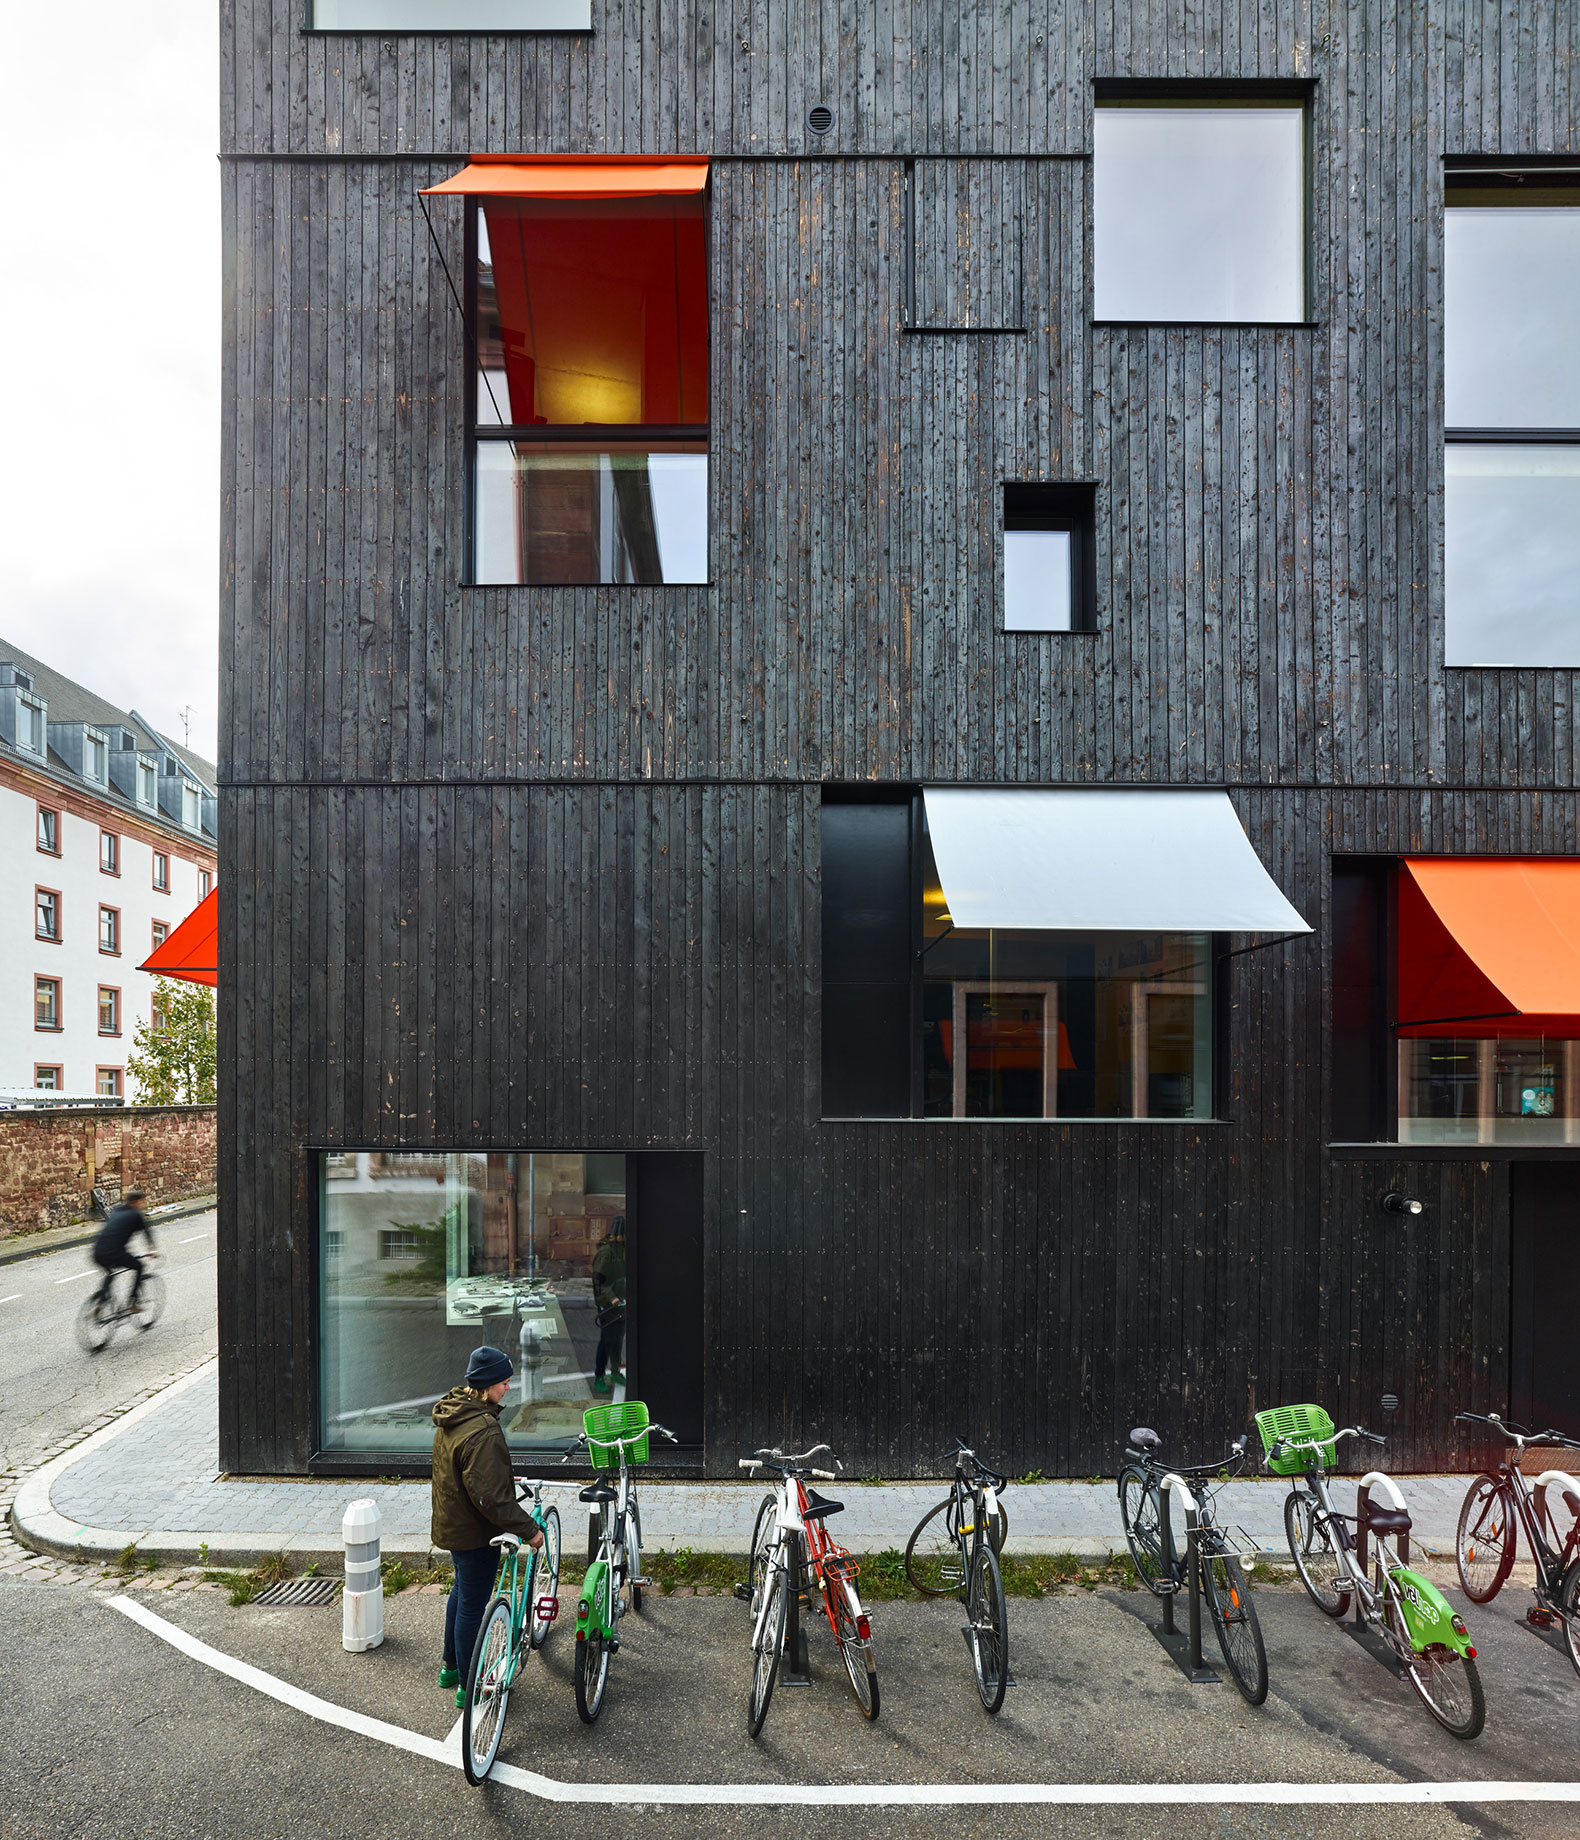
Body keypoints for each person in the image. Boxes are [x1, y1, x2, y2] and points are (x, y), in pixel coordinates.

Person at [431, 1345, 543, 1702]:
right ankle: (469, 1684)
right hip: (475, 1533)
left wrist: (500, 1477)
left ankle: (450, 1668)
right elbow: (490, 1500)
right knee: (471, 1605)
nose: (507, 1388)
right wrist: (530, 1530)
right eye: (504, 1382)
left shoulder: (454, 1414)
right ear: (487, 1385)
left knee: (461, 1594)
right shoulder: (483, 1431)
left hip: (453, 1523)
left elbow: (471, 1477)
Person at [91, 1189, 155, 1309]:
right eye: (142, 1202)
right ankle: (133, 1302)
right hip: (114, 1252)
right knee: (139, 1267)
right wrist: (152, 1250)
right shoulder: (136, 1215)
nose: (143, 1204)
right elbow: (147, 1234)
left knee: (111, 1273)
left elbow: (116, 1233)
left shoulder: (117, 1210)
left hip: (97, 1251)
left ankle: (100, 1302)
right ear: (136, 1202)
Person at [590, 1215, 626, 1394]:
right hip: (609, 1305)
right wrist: (612, 1298)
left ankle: (615, 1371)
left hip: (622, 1304)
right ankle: (599, 1375)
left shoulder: (623, 1250)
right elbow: (598, 1282)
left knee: (618, 1339)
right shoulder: (606, 1253)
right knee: (606, 1341)